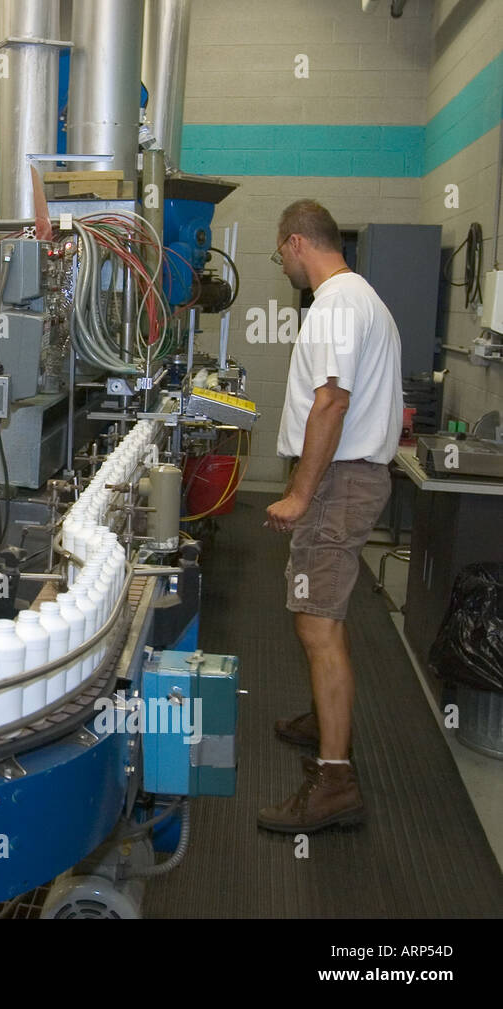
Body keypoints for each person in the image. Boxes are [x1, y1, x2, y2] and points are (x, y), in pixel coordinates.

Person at [258, 199, 404, 834]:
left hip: (340, 482)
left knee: (317, 622)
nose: (282, 265)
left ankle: (335, 779)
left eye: (278, 254)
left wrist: (298, 493)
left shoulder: (337, 302)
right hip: (346, 478)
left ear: (295, 244)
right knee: (316, 612)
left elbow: (331, 402)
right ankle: (326, 718)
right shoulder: (359, 297)